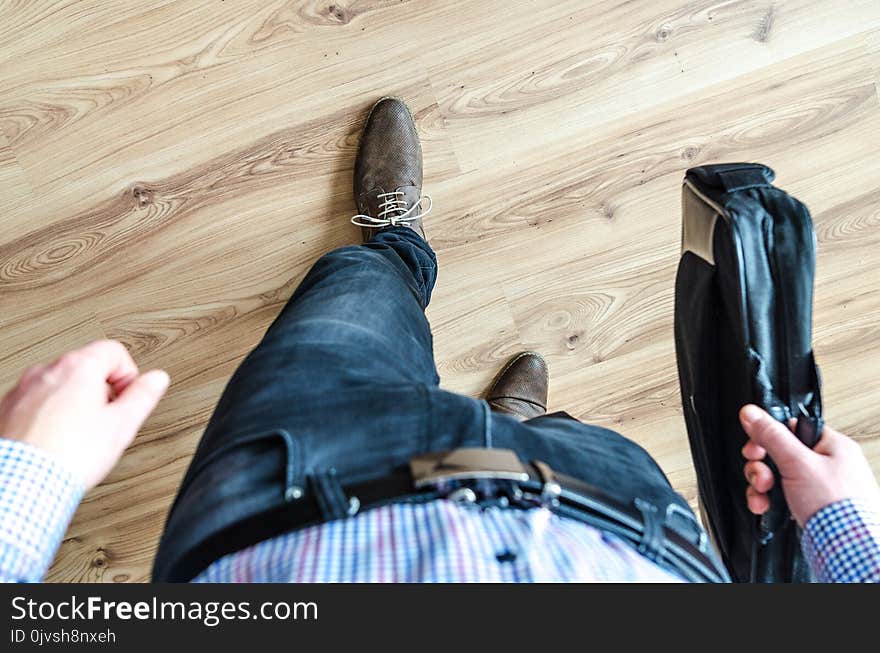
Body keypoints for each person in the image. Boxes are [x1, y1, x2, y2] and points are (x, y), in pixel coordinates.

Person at [1, 99, 878, 584]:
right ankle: (507, 412)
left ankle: (392, 251)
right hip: (625, 523)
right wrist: (846, 529)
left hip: (296, 499)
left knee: (345, 300)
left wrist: (31, 471)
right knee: (564, 430)